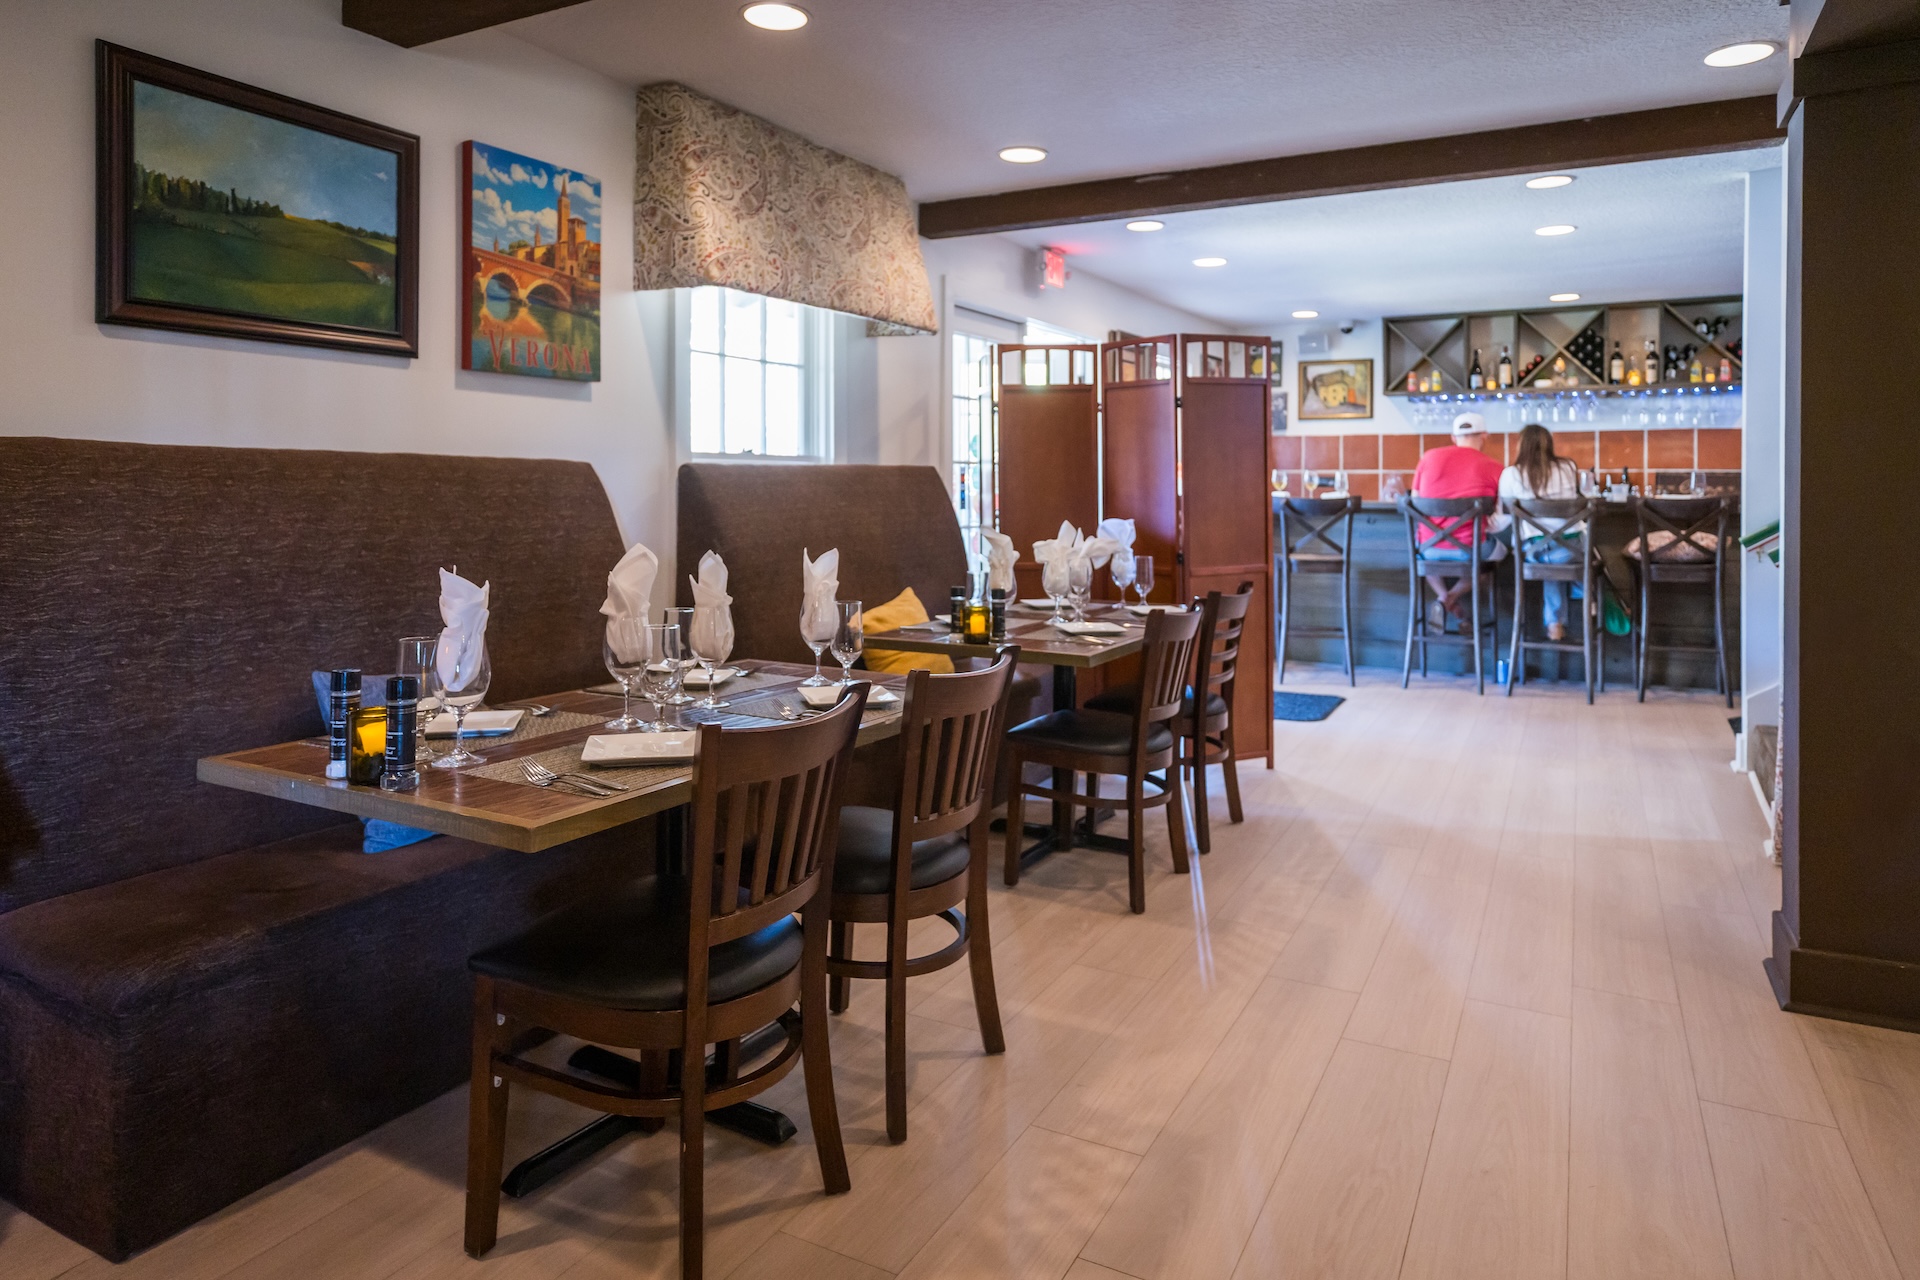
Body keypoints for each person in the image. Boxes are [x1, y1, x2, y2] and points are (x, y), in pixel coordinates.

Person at [1410, 411, 1506, 626]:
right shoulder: (1495, 467)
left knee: (1426, 555)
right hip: (1469, 550)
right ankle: (1450, 599)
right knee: (1499, 554)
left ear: (1453, 438)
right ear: (1484, 436)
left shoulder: (1428, 457)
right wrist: (1484, 526)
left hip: (1427, 548)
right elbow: (1502, 515)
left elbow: (1415, 503)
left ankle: (1444, 599)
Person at [1498, 423, 1585, 641]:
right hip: (1570, 552)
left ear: (1521, 446)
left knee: (1549, 561)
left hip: (1534, 553)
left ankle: (1554, 622)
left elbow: (1504, 514)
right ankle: (1588, 597)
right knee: (1571, 556)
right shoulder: (1568, 468)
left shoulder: (1510, 474)